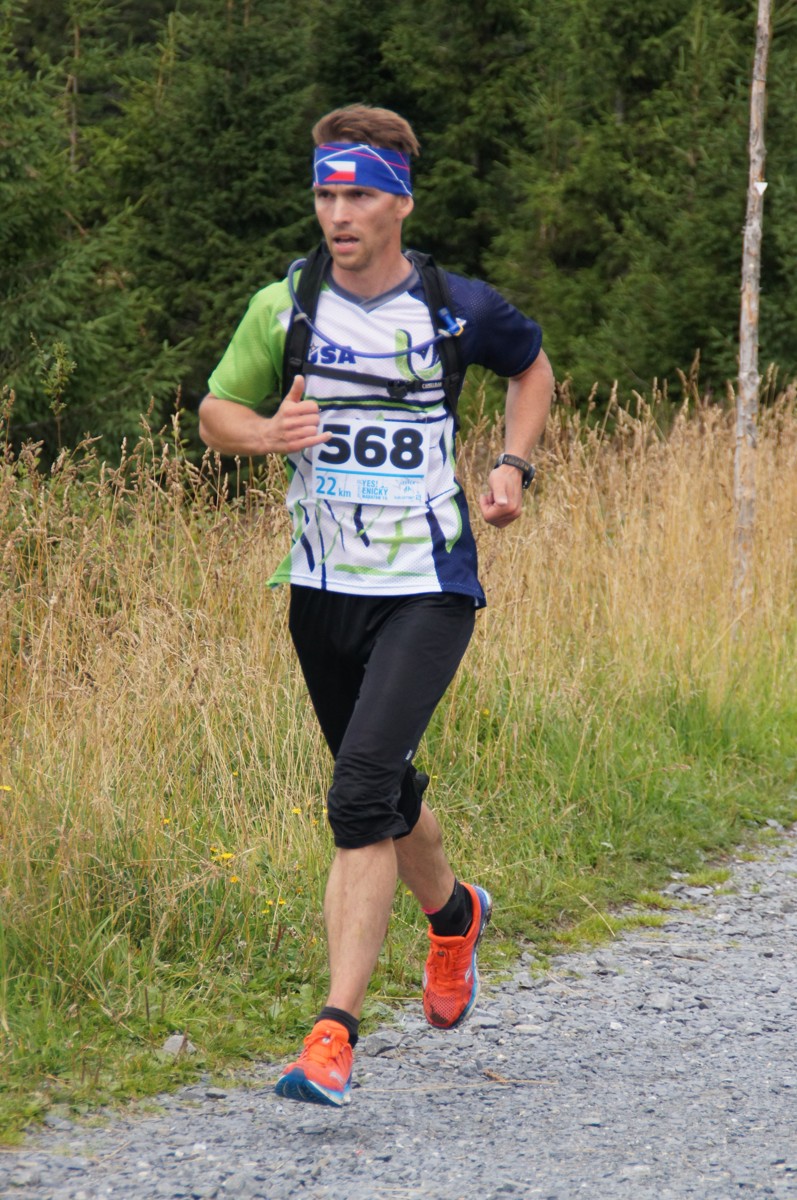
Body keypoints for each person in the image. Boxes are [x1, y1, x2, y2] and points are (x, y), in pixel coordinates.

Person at [199, 103, 553, 1108]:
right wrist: (264, 434)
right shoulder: (286, 306)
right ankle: (454, 916)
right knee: (384, 789)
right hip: (320, 591)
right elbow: (216, 411)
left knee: (357, 796)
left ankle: (332, 1034)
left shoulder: (453, 308)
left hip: (426, 588)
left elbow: (530, 367)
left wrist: (512, 465)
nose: (337, 213)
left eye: (357, 195)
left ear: (399, 202)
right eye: (324, 193)